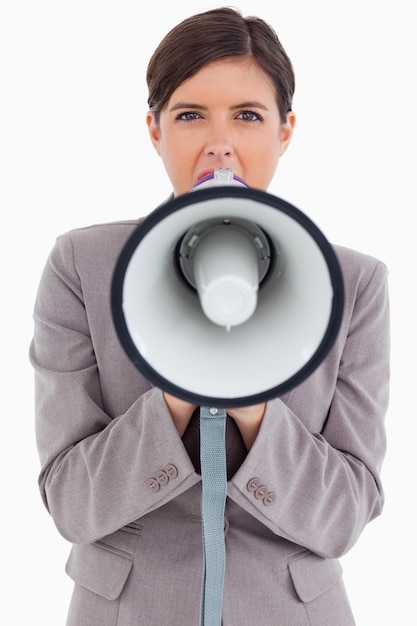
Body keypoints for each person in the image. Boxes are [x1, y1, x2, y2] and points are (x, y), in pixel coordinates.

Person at [30, 7, 390, 626]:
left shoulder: (353, 284)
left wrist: (249, 398)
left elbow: (345, 513)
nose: (219, 143)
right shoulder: (82, 267)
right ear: (154, 131)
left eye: (248, 116)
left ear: (285, 131)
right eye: (190, 115)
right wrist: (179, 385)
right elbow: (71, 503)